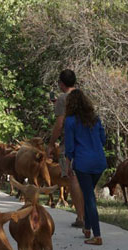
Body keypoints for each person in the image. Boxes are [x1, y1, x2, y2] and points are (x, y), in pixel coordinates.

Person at [64, 89, 107, 245]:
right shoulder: (95, 119)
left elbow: (69, 147)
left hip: (83, 162)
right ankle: (87, 228)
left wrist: (68, 166)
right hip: (100, 161)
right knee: (88, 195)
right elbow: (103, 139)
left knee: (89, 198)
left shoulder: (70, 121)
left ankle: (97, 235)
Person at [47, 69, 86, 228]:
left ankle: (81, 217)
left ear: (61, 83)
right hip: (86, 141)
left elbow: (59, 123)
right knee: (83, 179)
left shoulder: (63, 98)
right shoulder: (83, 97)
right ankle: (86, 214)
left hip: (70, 142)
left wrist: (51, 144)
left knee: (73, 178)